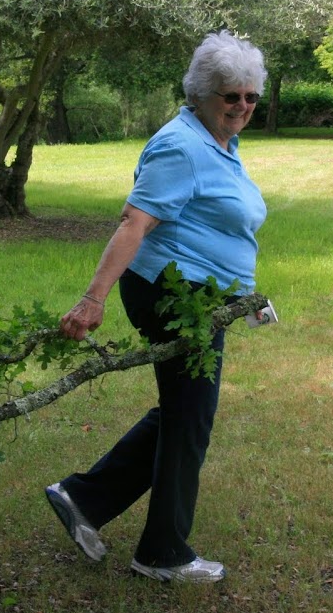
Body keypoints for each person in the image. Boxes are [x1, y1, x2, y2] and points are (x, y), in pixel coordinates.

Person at [46, 30, 268, 584]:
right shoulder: (181, 146)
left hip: (200, 298)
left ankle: (83, 498)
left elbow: (212, 227)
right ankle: (163, 553)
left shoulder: (218, 141)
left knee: (182, 413)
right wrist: (92, 299)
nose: (242, 106)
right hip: (174, 297)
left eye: (251, 96)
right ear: (201, 94)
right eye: (231, 96)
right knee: (190, 419)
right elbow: (134, 222)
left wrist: (244, 296)